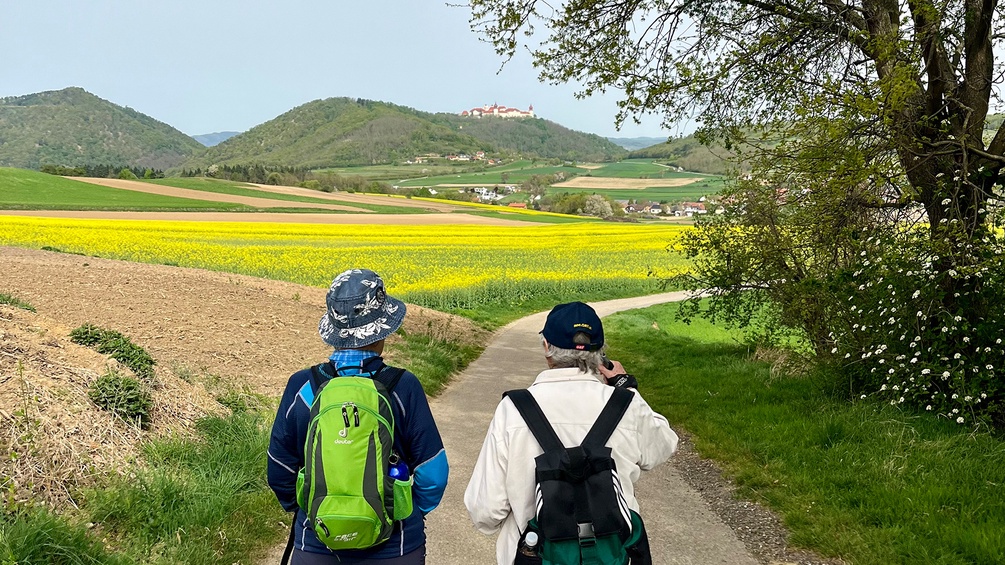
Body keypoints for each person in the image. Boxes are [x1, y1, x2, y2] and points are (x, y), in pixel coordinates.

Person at [464, 301, 678, 565]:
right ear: (601, 352)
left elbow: (486, 510)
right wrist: (627, 387)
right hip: (612, 556)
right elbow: (663, 447)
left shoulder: (513, 410)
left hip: (535, 556)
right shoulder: (625, 404)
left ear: (546, 347)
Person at [268, 268, 449, 564]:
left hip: (317, 542)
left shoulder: (302, 386)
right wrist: (401, 511)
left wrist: (311, 510)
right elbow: (433, 473)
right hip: (396, 547)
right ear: (382, 330)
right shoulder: (403, 387)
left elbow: (279, 469)